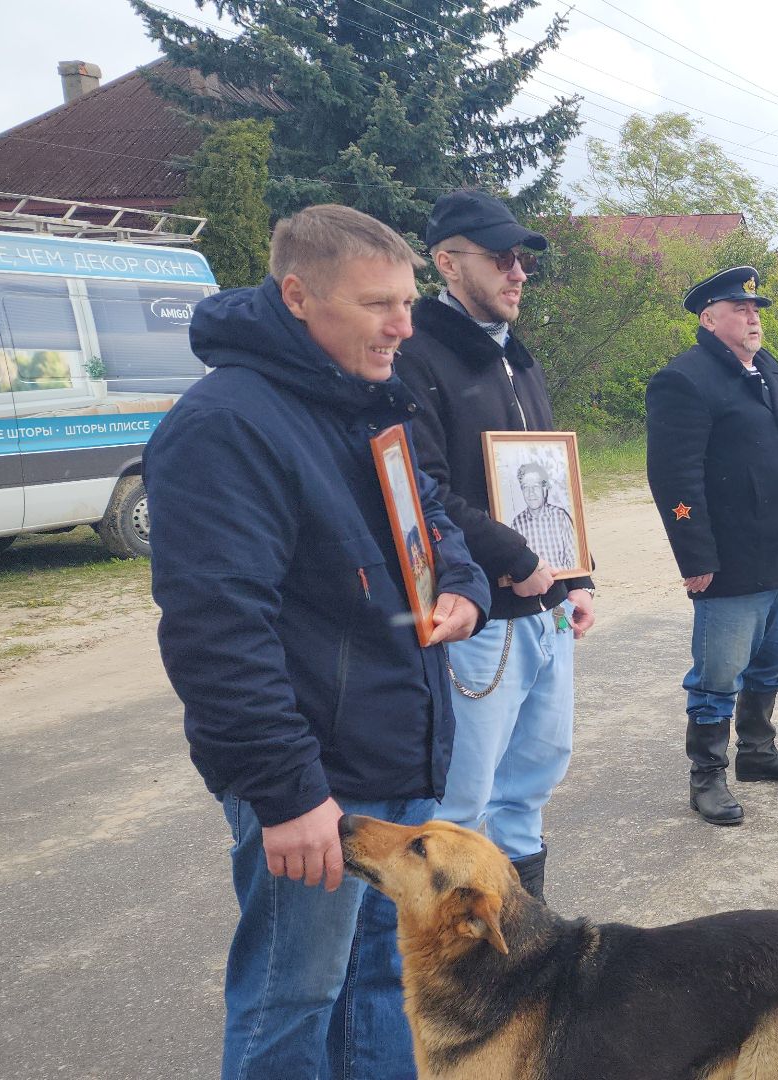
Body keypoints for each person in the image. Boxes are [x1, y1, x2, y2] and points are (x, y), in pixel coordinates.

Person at [145, 203, 488, 1078]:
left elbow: (434, 521)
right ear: (298, 295)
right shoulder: (226, 424)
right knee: (291, 998)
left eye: (407, 302)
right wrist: (289, 794)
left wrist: (466, 588)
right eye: (378, 305)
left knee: (382, 975)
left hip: (396, 754)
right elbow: (218, 633)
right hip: (317, 781)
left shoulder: (371, 399)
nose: (404, 326)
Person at [393, 188, 596, 899]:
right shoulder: (416, 355)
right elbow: (423, 489)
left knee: (533, 784)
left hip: (544, 613)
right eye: (501, 257)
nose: (519, 272)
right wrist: (517, 559)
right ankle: (451, 971)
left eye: (523, 259)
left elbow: (551, 485)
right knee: (464, 801)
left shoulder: (521, 359)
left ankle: (522, 936)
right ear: (447, 263)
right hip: (479, 621)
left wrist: (575, 578)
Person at [647, 266, 778, 825]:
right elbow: (674, 478)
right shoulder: (686, 379)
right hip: (729, 558)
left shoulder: (766, 370)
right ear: (709, 318)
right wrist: (696, 557)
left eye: (755, 309)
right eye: (740, 309)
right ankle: (707, 776)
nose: (754, 317)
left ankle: (756, 751)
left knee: (776, 654)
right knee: (718, 673)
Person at [509, 461, 580, 570]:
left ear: (545, 488)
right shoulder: (516, 524)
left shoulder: (560, 517)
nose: (531, 493)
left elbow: (574, 559)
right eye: (526, 487)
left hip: (563, 581)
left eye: (535, 486)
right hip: (534, 586)